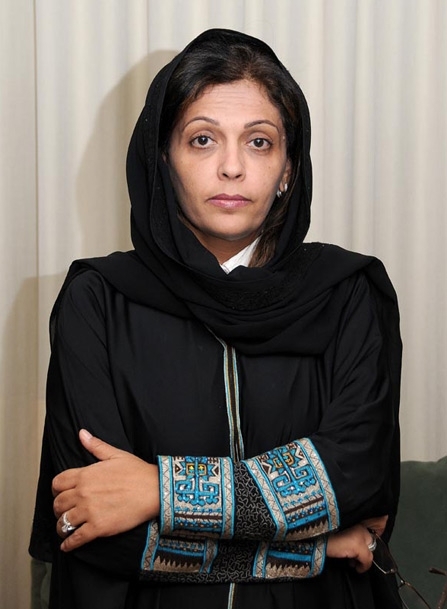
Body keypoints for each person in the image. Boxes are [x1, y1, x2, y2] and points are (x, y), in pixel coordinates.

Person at [29, 28, 402, 608]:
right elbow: (96, 529)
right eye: (202, 140)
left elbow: (354, 479)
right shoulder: (97, 300)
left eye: (259, 142)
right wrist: (315, 548)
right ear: (163, 161)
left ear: (288, 168)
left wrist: (160, 490)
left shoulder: (348, 292)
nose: (232, 167)